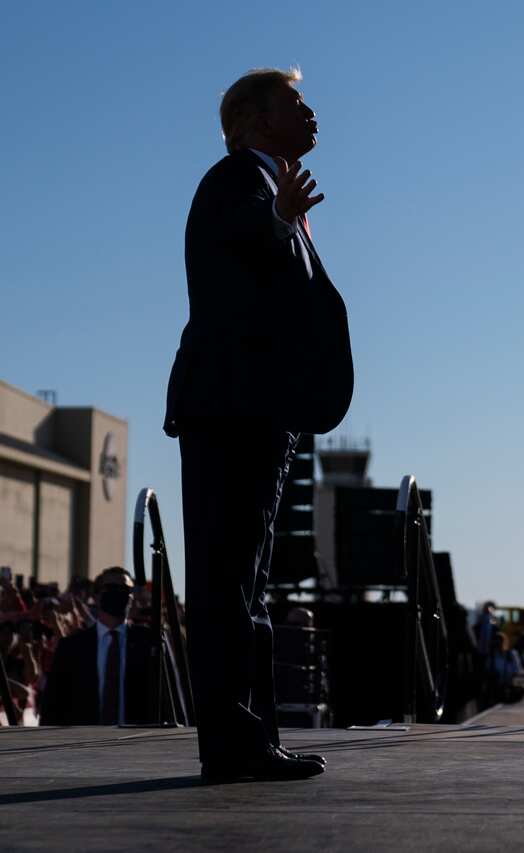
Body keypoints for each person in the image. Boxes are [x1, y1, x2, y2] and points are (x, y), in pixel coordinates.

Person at [163, 67, 353, 781]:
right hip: (228, 410)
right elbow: (239, 237)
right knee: (225, 582)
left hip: (258, 414)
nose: (311, 114)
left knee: (246, 582)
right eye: (296, 104)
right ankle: (233, 742)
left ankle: (251, 739)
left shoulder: (271, 190)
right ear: (252, 120)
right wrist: (277, 218)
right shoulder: (234, 180)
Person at [40, 569, 154, 726]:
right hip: (84, 743)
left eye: (124, 589)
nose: (117, 593)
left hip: (137, 742)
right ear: (96, 596)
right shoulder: (72, 647)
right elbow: (53, 705)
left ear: (131, 597)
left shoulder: (148, 643)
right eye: (110, 588)